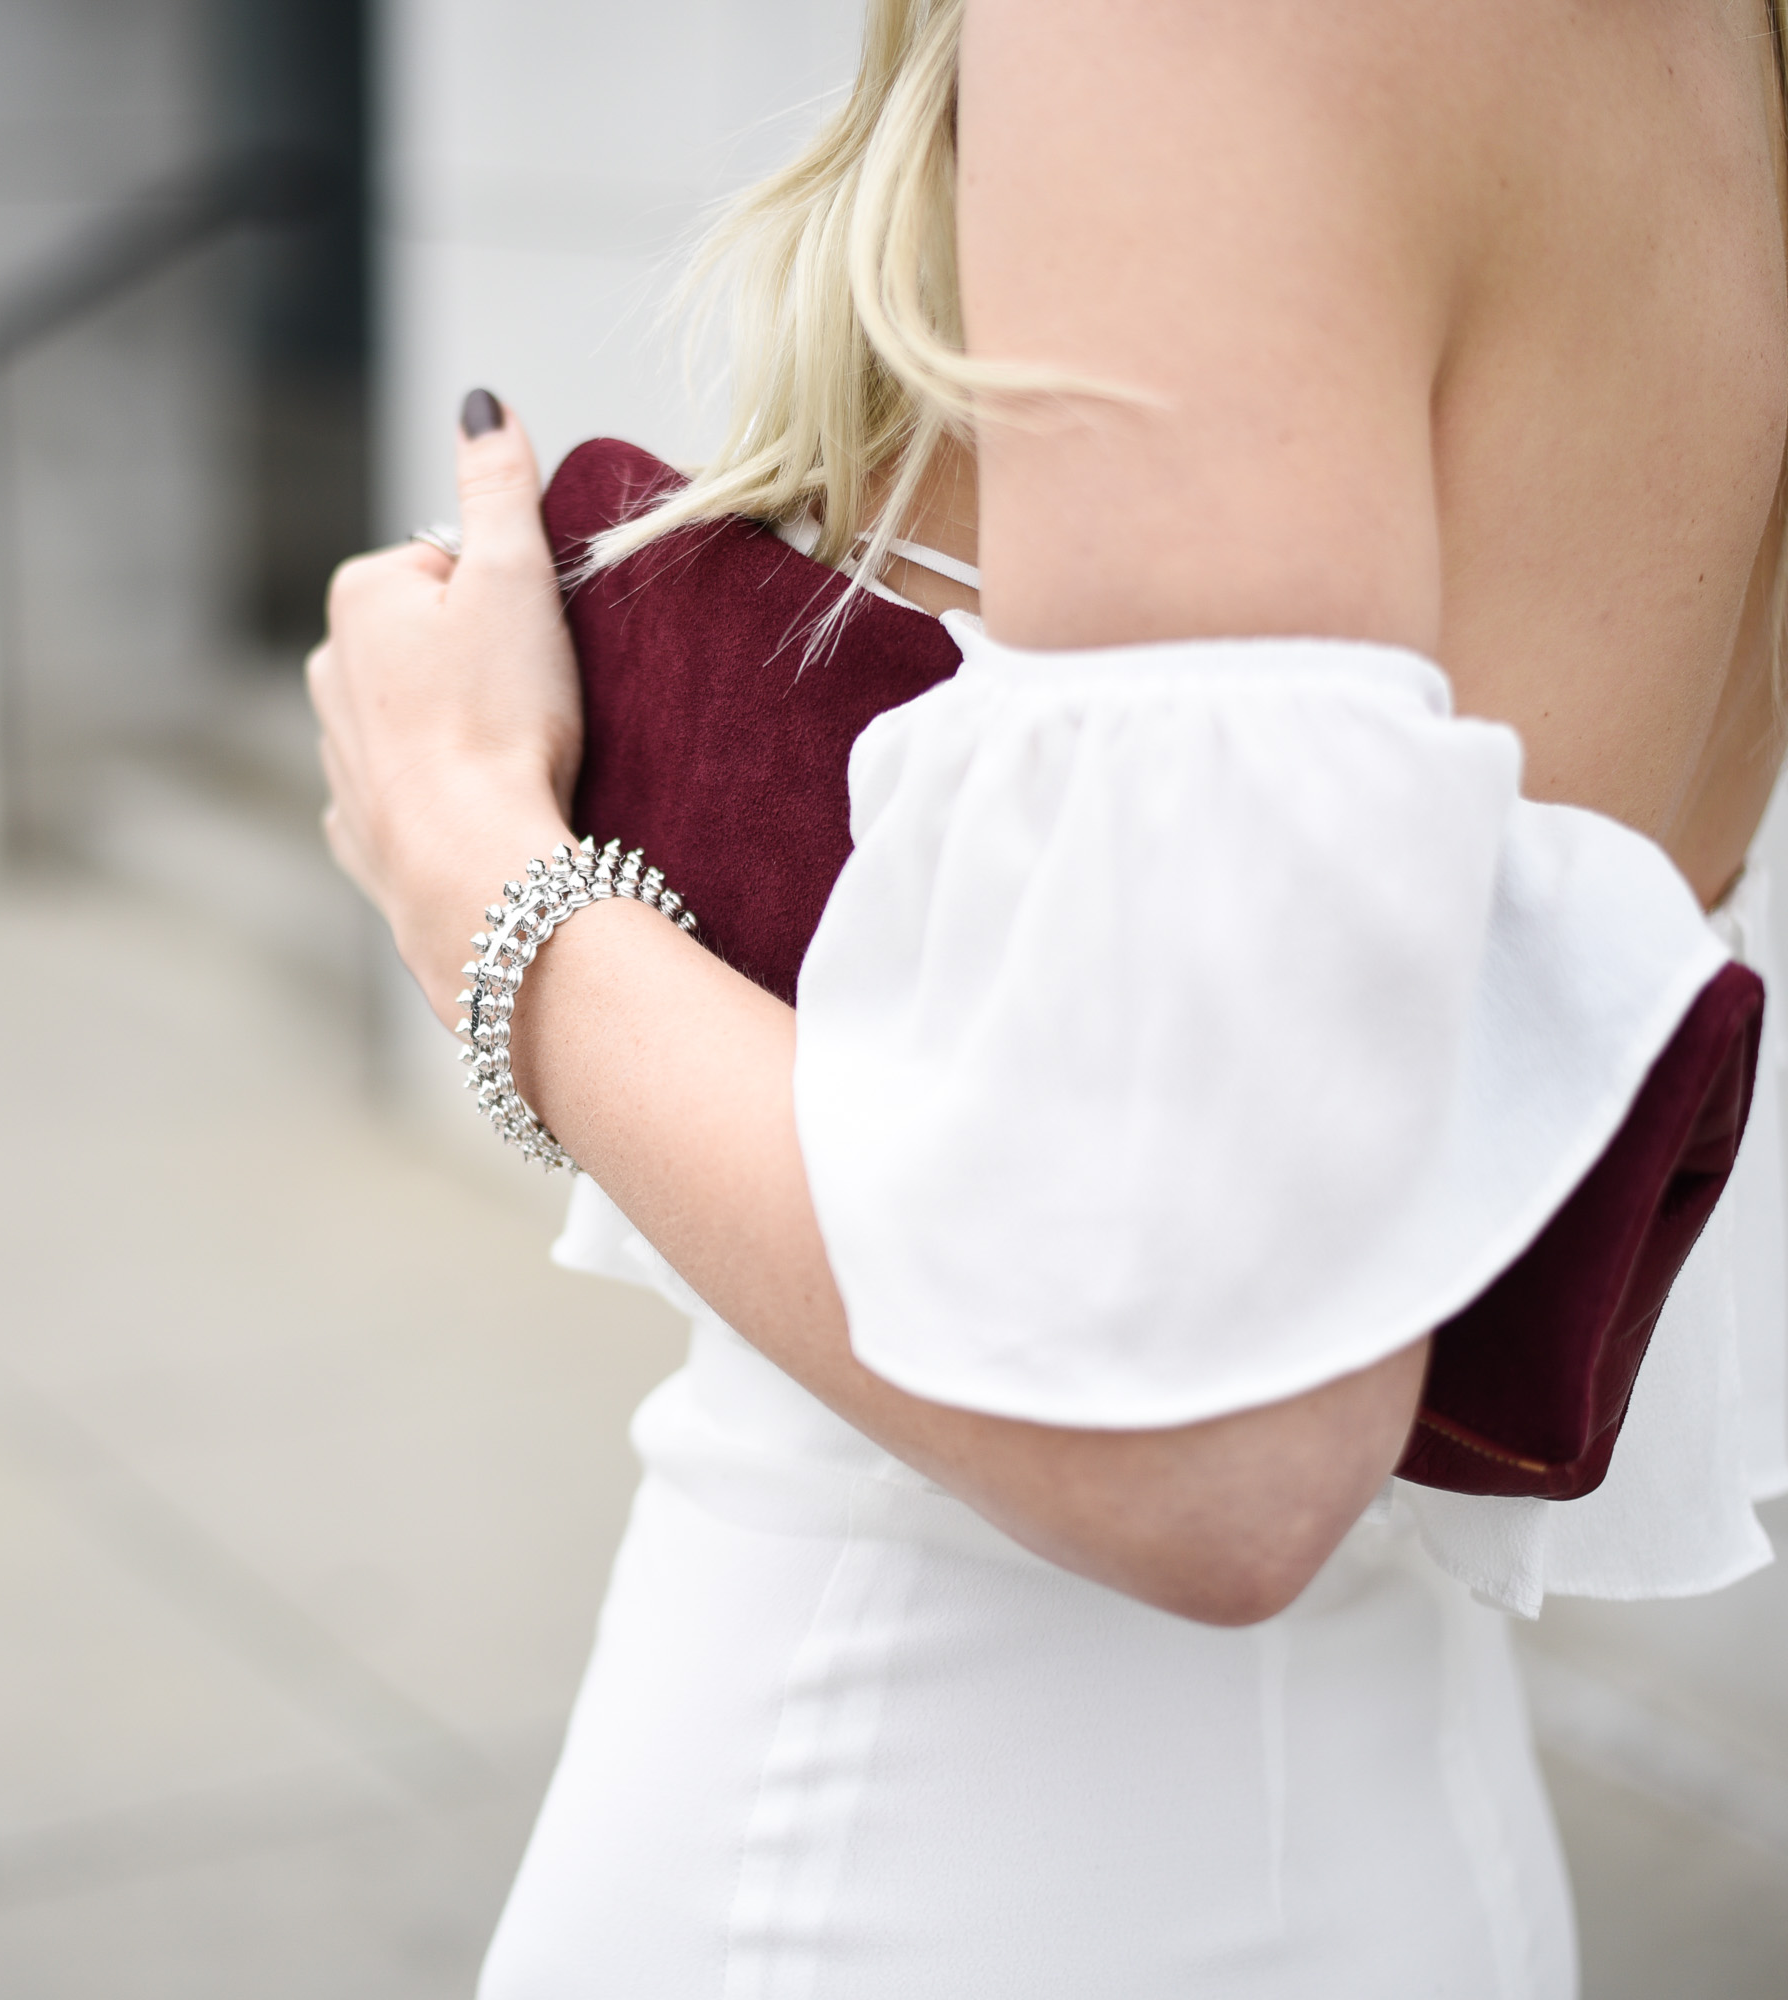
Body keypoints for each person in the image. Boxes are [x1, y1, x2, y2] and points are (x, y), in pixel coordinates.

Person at [308, 2, 1788, 1991]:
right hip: (1389, 1831)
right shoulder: (1708, 64)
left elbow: (1213, 1442)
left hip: (903, 1849)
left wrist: (475, 863)